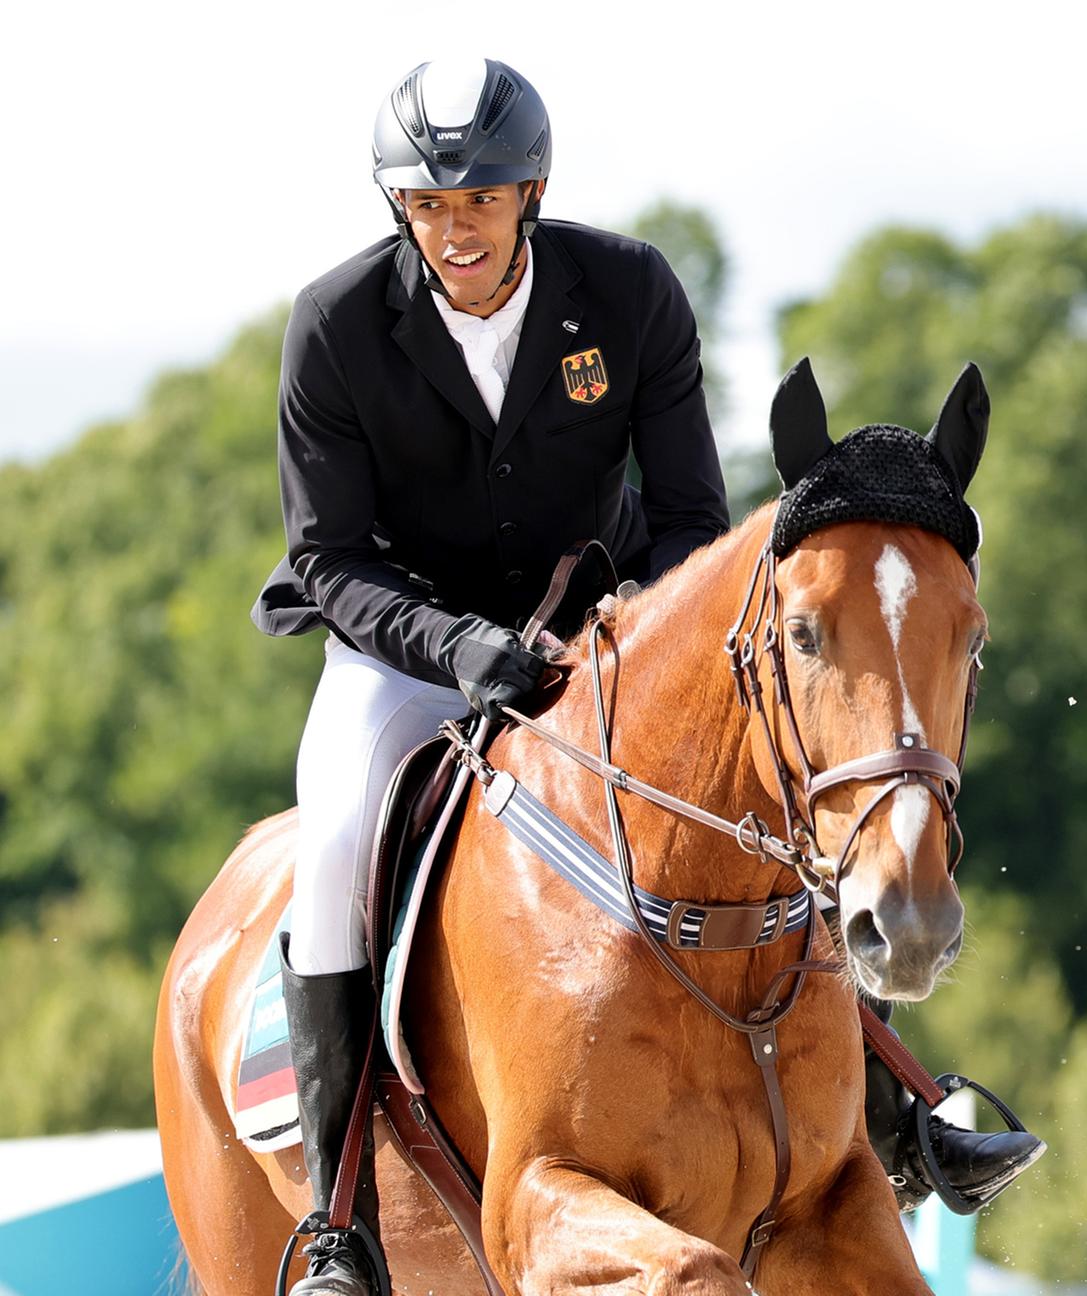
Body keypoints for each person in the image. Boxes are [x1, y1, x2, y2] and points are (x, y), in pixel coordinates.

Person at [253, 57, 1040, 1296]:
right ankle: (338, 1222)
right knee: (340, 833)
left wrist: (635, 626)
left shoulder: (625, 293)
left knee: (784, 792)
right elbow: (330, 559)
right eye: (428, 205)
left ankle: (898, 1106)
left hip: (597, 634)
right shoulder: (339, 323)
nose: (455, 229)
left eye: (482, 201)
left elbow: (688, 516)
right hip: (407, 650)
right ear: (397, 206)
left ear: (533, 191)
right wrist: (462, 649)